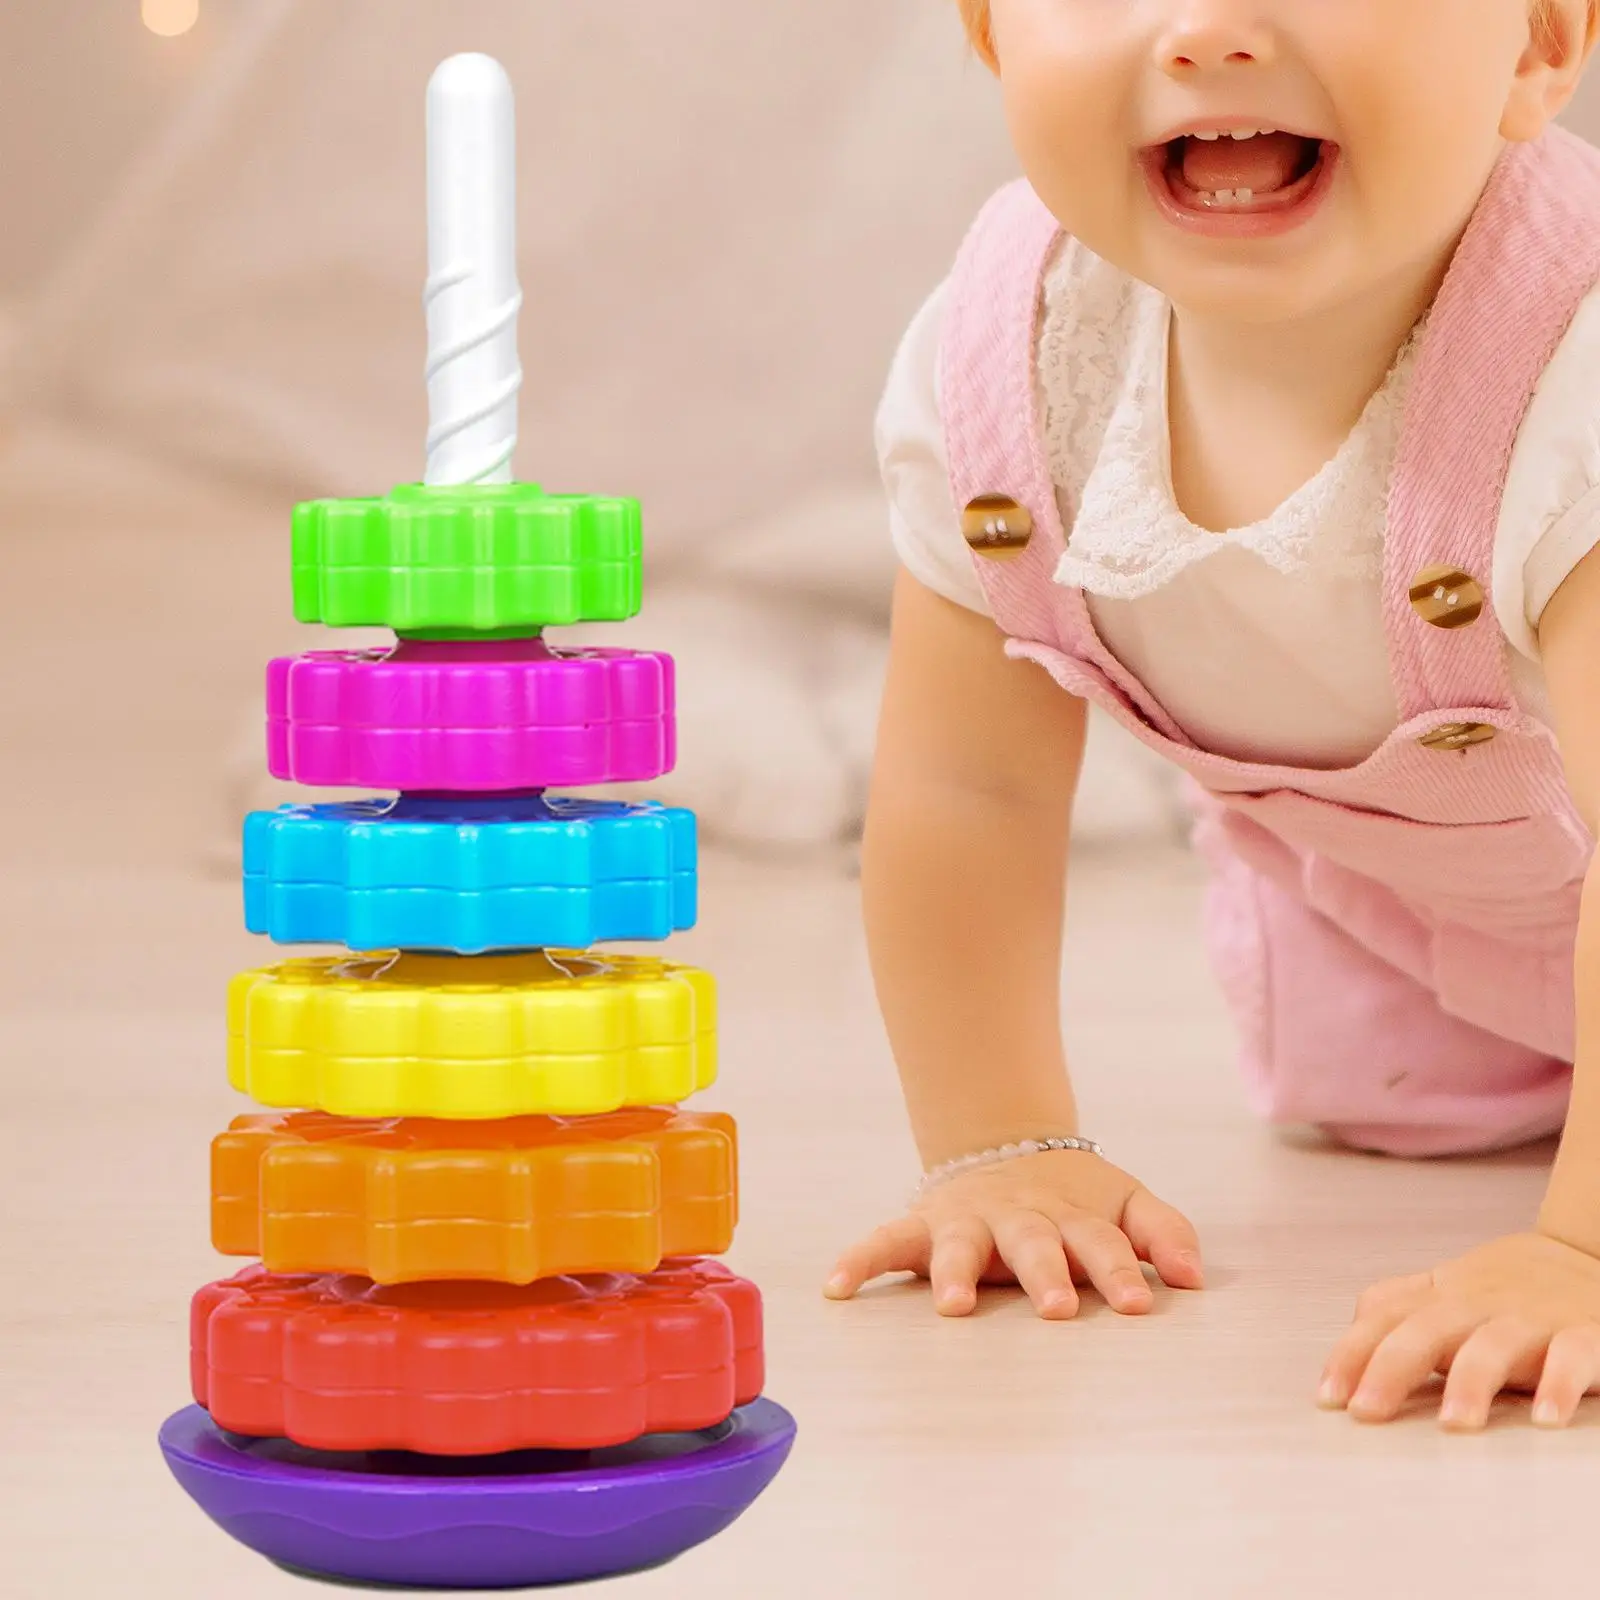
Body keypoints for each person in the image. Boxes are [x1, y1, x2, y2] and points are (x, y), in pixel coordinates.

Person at [825, 0, 1600, 1432]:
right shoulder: (1007, 367)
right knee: (1379, 1113)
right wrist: (1002, 1147)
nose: (1209, 32)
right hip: (1415, 915)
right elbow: (965, 793)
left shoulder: (1576, 371)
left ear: (1539, 47)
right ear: (992, 37)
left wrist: (1581, 1252)